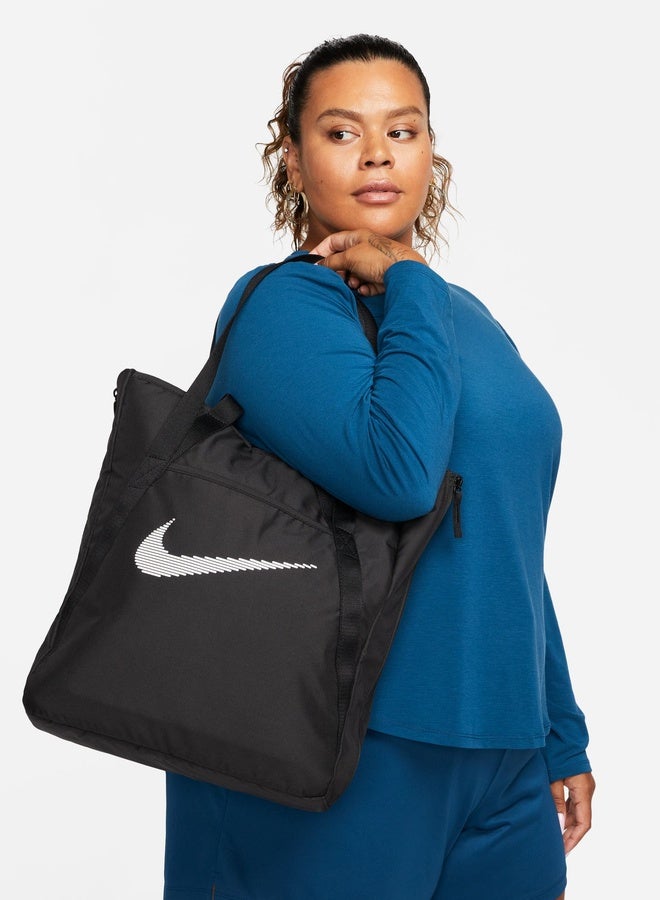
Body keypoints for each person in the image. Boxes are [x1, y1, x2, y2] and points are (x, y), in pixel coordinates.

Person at [163, 33, 595, 900]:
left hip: (501, 752)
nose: (376, 155)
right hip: (343, 746)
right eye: (340, 132)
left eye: (402, 131)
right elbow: (396, 475)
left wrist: (559, 731)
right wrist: (411, 280)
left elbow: (506, 531)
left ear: (431, 151)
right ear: (292, 160)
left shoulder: (461, 316)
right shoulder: (284, 304)